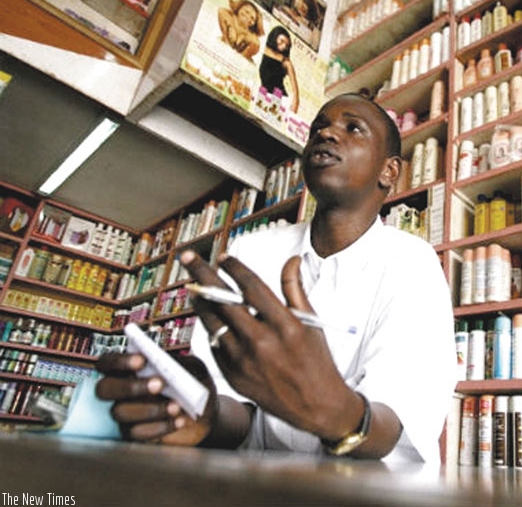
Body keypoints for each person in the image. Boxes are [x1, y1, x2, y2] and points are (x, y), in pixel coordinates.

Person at [95, 93, 457, 463]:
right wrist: (204, 414)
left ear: (389, 171)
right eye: (319, 126)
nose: (327, 133)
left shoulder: (412, 262)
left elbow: (391, 427)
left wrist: (333, 408)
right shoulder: (248, 254)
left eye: (352, 128)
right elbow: (237, 410)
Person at [259, 26, 299, 113]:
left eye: (287, 45)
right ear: (274, 37)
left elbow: (296, 94)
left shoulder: (286, 62)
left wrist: (292, 111)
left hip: (279, 101)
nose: (284, 46)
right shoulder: (262, 49)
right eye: (281, 41)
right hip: (263, 96)